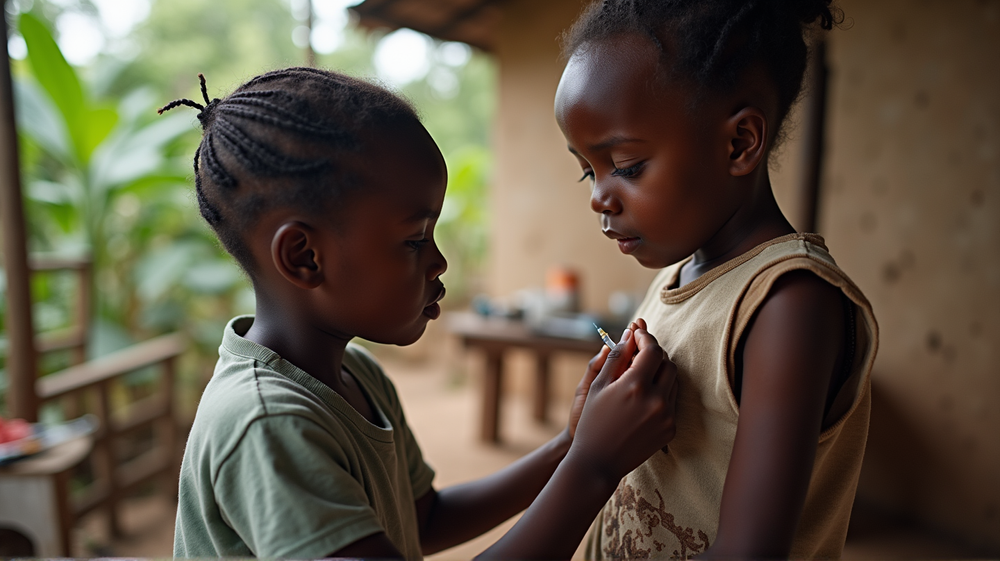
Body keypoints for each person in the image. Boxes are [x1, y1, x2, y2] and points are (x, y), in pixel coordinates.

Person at [162, 67, 677, 560]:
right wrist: (593, 466)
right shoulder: (266, 426)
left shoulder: (353, 374)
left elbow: (423, 520)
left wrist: (569, 444)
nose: (439, 261)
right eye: (413, 239)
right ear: (304, 257)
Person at [554, 0, 878, 558]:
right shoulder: (678, 274)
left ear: (739, 143)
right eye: (589, 168)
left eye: (626, 166)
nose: (599, 197)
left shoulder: (787, 303)